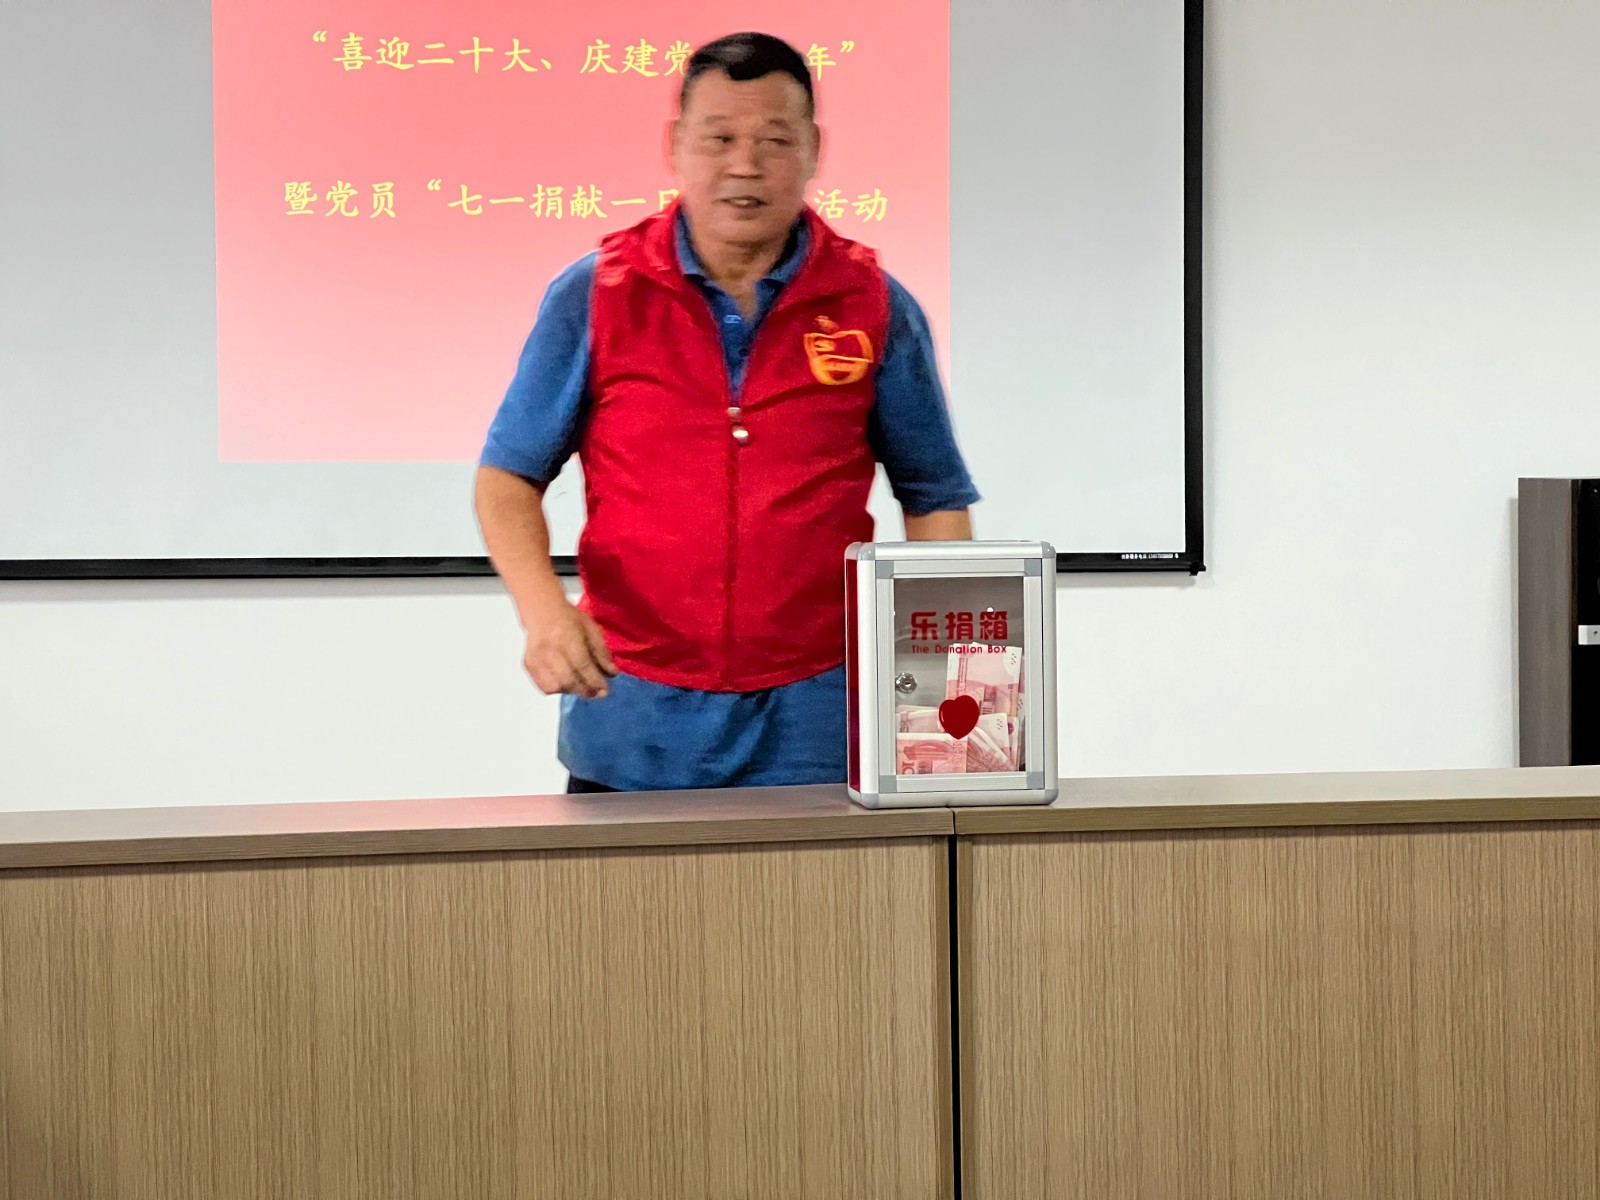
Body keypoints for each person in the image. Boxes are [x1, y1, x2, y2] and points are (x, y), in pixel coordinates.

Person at [474, 31, 979, 793]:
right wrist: (544, 612)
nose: (745, 164)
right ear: (675, 145)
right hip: (632, 711)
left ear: (813, 150)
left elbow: (934, 497)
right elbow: (507, 477)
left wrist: (939, 677)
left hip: (820, 714)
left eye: (774, 140)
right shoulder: (597, 295)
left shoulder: (873, 303)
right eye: (719, 138)